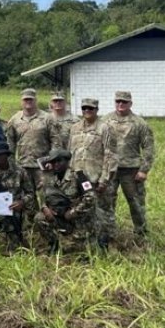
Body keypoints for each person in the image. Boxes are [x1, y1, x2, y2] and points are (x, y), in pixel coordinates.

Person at [103, 91, 155, 243]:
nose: (120, 104)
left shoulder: (139, 123)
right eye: (118, 101)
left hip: (131, 170)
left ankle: (140, 234)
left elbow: (148, 148)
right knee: (107, 202)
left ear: (130, 104)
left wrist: (144, 170)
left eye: (124, 102)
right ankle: (108, 234)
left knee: (136, 202)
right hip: (110, 170)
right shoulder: (105, 121)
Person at [67, 98, 118, 248]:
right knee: (82, 209)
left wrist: (104, 179)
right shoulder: (75, 128)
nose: (87, 111)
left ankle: (108, 241)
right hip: (78, 177)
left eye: (90, 108)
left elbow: (110, 156)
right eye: (84, 109)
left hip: (96, 177)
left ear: (96, 110)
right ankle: (85, 240)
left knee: (103, 210)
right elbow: (71, 152)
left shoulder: (105, 128)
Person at [5, 88, 62, 217]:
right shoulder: (14, 119)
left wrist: (52, 161)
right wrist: (11, 164)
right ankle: (31, 227)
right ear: (21, 101)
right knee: (27, 199)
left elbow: (56, 141)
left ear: (35, 100)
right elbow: (10, 143)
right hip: (23, 166)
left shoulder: (47, 118)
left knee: (47, 198)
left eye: (31, 99)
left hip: (43, 166)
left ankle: (49, 225)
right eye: (26, 99)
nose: (28, 102)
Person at [35, 149, 96, 254]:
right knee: (40, 218)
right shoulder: (51, 177)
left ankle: (79, 241)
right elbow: (44, 196)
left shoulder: (79, 176)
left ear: (67, 161)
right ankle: (54, 245)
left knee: (77, 252)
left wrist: (73, 212)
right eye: (53, 162)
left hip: (79, 220)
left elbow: (90, 197)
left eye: (59, 161)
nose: (56, 164)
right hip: (60, 216)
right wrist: (45, 208)